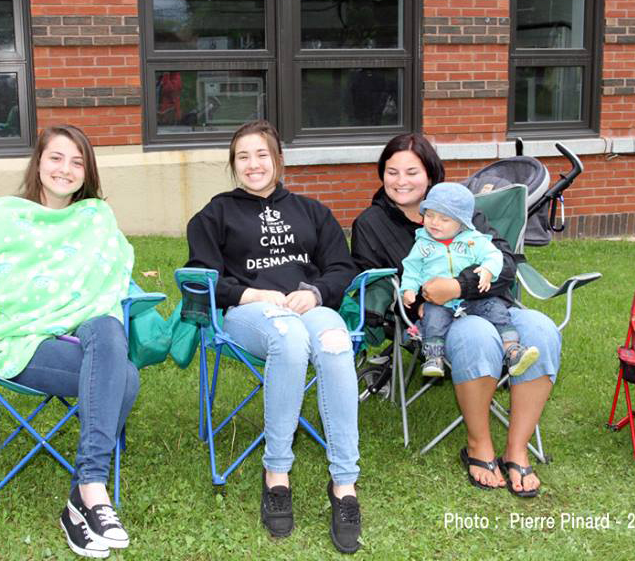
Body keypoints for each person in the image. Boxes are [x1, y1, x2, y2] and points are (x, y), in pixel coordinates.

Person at [0, 125, 138, 558]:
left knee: (108, 327)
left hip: (85, 335)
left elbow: (110, 281)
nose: (66, 169)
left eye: (78, 162)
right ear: (38, 162)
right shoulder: (7, 214)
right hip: (21, 340)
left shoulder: (96, 217)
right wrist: (49, 314)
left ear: (87, 172)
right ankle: (89, 494)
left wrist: (75, 317)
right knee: (124, 381)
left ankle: (86, 490)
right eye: (56, 158)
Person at [185, 120, 362, 553]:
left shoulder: (313, 211)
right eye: (243, 157)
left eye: (261, 154)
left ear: (278, 160)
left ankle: (344, 483)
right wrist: (251, 293)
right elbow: (202, 278)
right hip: (249, 313)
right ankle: (277, 473)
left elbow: (343, 267)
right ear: (233, 166)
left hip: (309, 305)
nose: (253, 164)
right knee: (288, 337)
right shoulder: (215, 214)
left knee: (335, 344)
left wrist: (316, 292)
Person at [351, 133, 561, 498]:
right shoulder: (371, 223)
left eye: (412, 172)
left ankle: (517, 447)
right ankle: (479, 445)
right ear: (381, 174)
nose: (401, 181)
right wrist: (408, 299)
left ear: (430, 174)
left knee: (541, 329)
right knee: (476, 334)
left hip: (493, 304)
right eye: (392, 171)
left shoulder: (465, 211)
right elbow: (374, 284)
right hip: (432, 322)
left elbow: (505, 264)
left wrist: (459, 286)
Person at [399, 182, 539, 378]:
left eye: (444, 218)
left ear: (461, 222)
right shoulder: (423, 244)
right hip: (440, 301)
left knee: (496, 310)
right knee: (433, 318)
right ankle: (433, 357)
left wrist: (489, 269)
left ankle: (512, 350)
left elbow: (495, 255)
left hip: (474, 298)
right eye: (429, 215)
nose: (434, 222)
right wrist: (408, 289)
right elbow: (412, 269)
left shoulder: (474, 239)